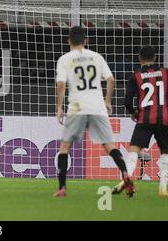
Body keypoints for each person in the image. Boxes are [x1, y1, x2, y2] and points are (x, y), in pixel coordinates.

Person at [54, 26, 134, 197]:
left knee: (65, 147)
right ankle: (125, 174)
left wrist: (59, 107)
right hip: (97, 106)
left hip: (77, 107)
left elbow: (61, 85)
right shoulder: (96, 57)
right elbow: (111, 79)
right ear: (86, 41)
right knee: (109, 145)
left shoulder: (65, 59)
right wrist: (107, 101)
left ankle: (62, 188)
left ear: (69, 41)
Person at [113, 46, 168, 196]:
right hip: (163, 119)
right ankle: (163, 188)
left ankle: (127, 178)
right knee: (164, 153)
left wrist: (133, 113)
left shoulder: (135, 76)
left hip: (144, 119)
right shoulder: (166, 72)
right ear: (155, 57)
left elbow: (127, 101)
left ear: (139, 58)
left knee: (133, 151)